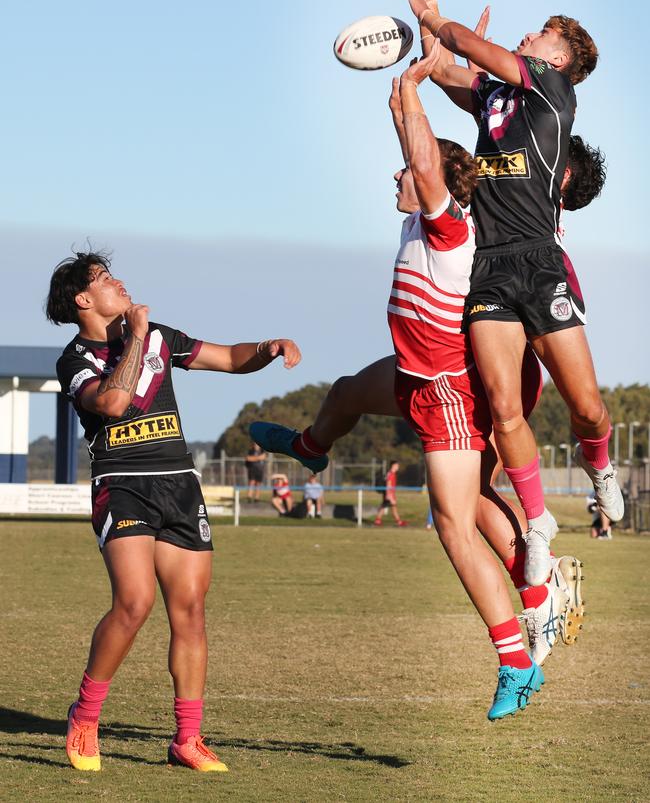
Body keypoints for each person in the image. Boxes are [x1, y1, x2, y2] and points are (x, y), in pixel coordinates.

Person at [254, 47, 551, 720]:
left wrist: (411, 93)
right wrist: (414, 86)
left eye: (409, 171)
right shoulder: (422, 217)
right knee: (347, 391)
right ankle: (309, 446)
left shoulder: (449, 230)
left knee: (453, 522)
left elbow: (424, 161)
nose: (396, 175)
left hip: (446, 387)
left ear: (436, 181)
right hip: (415, 373)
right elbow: (426, 158)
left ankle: (515, 655)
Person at [392, 0, 622, 587]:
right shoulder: (500, 100)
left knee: (587, 408)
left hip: (540, 264)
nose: (528, 34)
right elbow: (452, 73)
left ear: (556, 56)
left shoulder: (551, 90)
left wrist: (434, 14)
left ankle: (599, 467)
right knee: (501, 406)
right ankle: (540, 523)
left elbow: (466, 43)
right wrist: (432, 57)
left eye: (540, 33)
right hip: (489, 269)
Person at [45, 250, 300, 772]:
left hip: (180, 485)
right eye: (105, 280)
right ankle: (86, 715)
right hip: (123, 486)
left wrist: (268, 347)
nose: (120, 284)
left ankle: (187, 739)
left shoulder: (160, 335)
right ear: (83, 300)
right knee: (134, 604)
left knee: (190, 613)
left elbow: (229, 358)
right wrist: (136, 337)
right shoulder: (75, 359)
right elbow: (113, 404)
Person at [374, 461, 406, 526]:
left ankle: (378, 520)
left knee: (384, 506)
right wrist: (389, 496)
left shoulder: (391, 473)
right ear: (393, 465)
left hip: (389, 494)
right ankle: (399, 522)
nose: (398, 467)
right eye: (397, 465)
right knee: (393, 507)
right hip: (389, 494)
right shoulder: (391, 474)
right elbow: (388, 484)